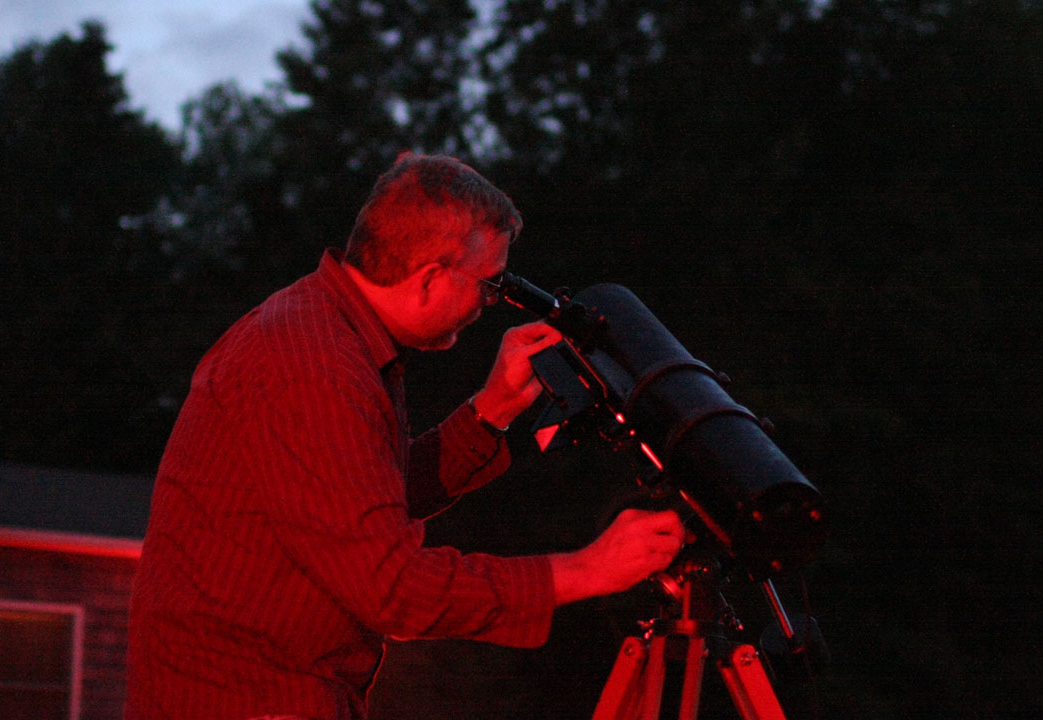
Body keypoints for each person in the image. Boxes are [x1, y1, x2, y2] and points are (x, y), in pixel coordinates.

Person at [126, 153, 686, 720]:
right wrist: (588, 570)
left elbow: (357, 508)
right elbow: (390, 586)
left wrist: (491, 410)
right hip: (247, 700)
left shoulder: (322, 330)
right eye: (488, 286)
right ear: (429, 278)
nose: (488, 304)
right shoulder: (313, 363)